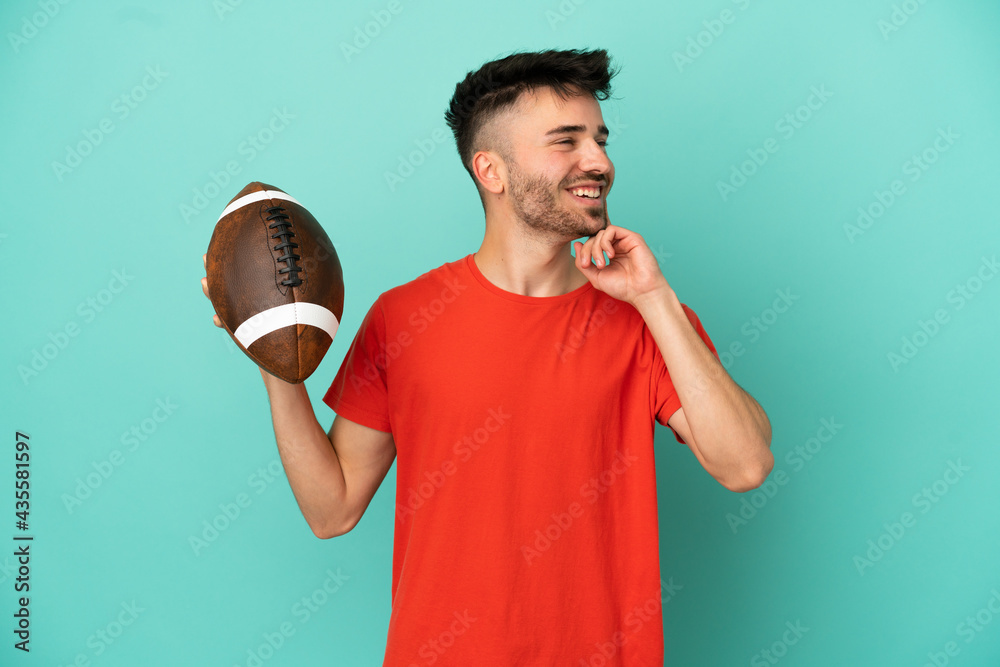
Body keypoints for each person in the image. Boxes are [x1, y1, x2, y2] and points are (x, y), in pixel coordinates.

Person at [202, 47, 772, 666]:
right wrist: (271, 354)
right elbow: (330, 509)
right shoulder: (403, 318)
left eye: (601, 140)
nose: (599, 162)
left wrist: (656, 300)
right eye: (567, 141)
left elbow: (745, 465)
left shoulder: (646, 321)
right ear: (491, 171)